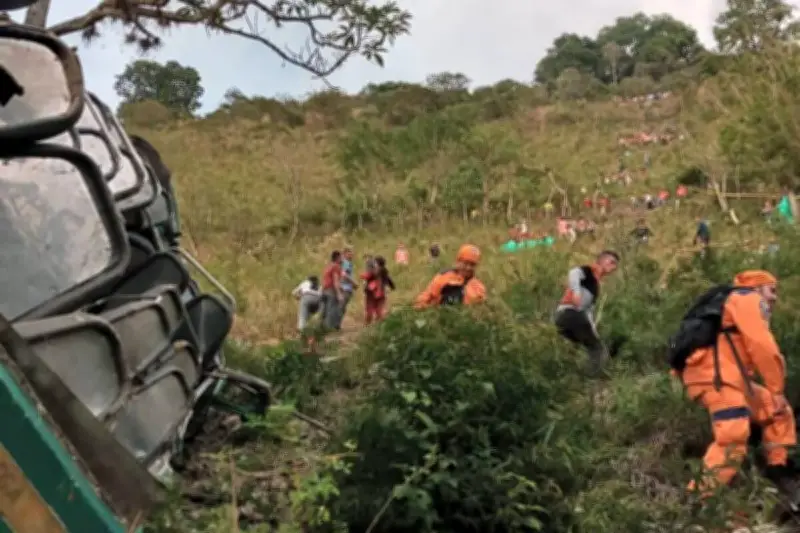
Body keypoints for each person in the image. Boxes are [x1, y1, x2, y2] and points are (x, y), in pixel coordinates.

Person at [679, 271, 797, 496]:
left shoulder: (729, 303)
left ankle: (778, 470)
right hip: (718, 378)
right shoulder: (746, 298)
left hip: (725, 378)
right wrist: (776, 388)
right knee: (732, 441)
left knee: (777, 411)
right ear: (758, 288)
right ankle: (697, 502)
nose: (774, 298)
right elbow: (762, 345)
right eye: (772, 290)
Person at [554, 250, 620, 376]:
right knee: (597, 348)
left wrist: (593, 330)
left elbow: (588, 311)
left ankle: (569, 376)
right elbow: (574, 273)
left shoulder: (595, 284)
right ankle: (592, 377)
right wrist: (576, 292)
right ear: (602, 260)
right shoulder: (590, 271)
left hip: (567, 316)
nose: (613, 267)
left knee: (578, 346)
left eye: (615, 265)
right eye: (611, 262)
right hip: (571, 313)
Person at [415, 244, 486, 308]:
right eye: (465, 263)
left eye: (472, 264)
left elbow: (480, 311)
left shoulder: (479, 288)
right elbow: (426, 296)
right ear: (458, 261)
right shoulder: (443, 276)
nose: (468, 268)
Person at [361, 256, 395, 325]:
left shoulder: (373, 271)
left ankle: (368, 324)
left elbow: (366, 278)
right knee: (379, 310)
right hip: (381, 292)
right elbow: (389, 280)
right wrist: (392, 286)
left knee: (370, 309)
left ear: (376, 263)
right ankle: (379, 324)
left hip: (371, 292)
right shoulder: (385, 271)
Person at [321, 250, 344, 330]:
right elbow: (335, 280)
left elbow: (326, 279)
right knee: (331, 310)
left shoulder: (328, 266)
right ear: (337, 258)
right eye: (341, 257)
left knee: (324, 310)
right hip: (331, 291)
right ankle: (329, 329)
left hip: (324, 290)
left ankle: (320, 328)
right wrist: (339, 294)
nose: (342, 259)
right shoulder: (336, 266)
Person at [337, 246, 358, 328]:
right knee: (341, 307)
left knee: (342, 307)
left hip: (345, 287)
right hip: (345, 288)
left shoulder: (346, 263)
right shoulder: (346, 263)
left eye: (352, 253)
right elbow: (344, 274)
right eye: (349, 253)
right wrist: (354, 283)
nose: (352, 255)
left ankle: (337, 324)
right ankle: (336, 325)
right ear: (345, 254)